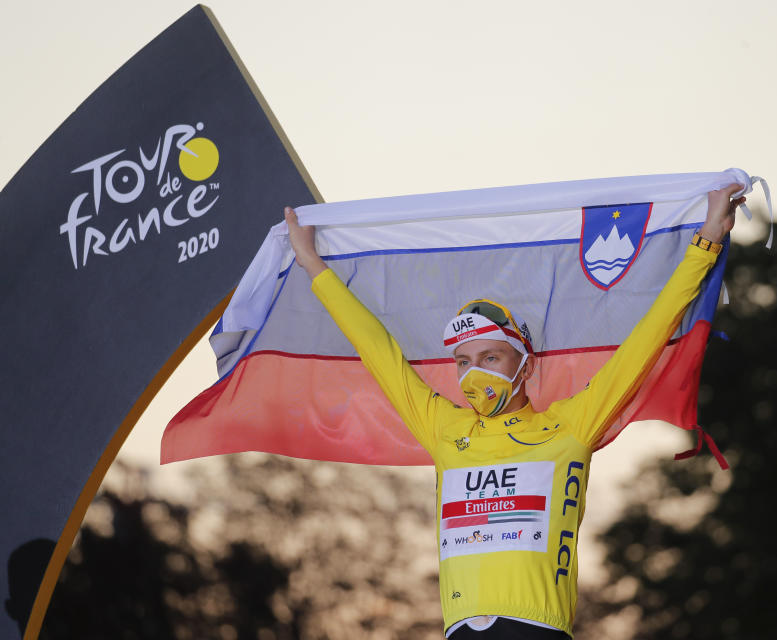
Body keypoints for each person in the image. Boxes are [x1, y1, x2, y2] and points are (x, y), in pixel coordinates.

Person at [284, 183, 744, 638]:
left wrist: (707, 241)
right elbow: (377, 350)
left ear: (523, 366)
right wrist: (312, 265)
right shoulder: (445, 428)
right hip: (460, 628)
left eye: (490, 358)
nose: (472, 374)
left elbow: (648, 336)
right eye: (463, 362)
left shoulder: (569, 426)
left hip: (536, 627)